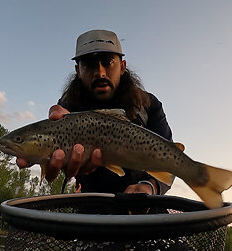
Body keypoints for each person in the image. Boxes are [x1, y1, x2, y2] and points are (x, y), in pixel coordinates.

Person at [17, 29, 174, 196]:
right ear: (78, 70)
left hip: (144, 207)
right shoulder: (67, 109)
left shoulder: (148, 105)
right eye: (90, 64)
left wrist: (150, 186)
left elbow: (172, 160)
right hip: (89, 204)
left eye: (108, 62)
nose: (100, 72)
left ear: (122, 67)